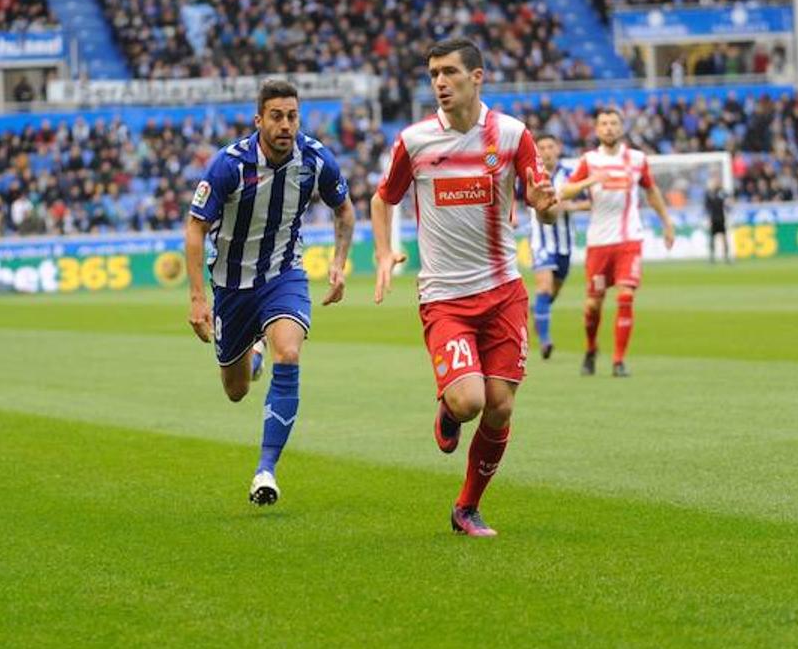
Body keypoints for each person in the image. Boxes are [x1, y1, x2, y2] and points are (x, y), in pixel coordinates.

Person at [371, 37, 557, 538]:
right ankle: (450, 407)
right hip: (445, 298)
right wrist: (383, 252)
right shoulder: (414, 141)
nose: (439, 82)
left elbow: (545, 201)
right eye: (433, 73)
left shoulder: (514, 135)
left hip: (502, 291)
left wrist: (543, 201)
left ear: (477, 77)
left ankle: (466, 507)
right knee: (471, 401)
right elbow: (383, 197)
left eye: (450, 72)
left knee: (499, 407)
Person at [184, 78, 356, 507]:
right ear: (259, 119)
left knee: (291, 353)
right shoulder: (229, 165)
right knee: (237, 389)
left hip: (284, 275)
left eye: (292, 116)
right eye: (276, 116)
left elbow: (345, 210)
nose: (285, 125)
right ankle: (253, 354)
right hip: (230, 287)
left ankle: (266, 470)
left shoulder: (314, 159)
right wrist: (197, 298)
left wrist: (338, 262)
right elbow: (195, 226)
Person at [558, 107, 676, 378]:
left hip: (629, 240)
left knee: (625, 295)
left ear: (621, 128)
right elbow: (565, 191)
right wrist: (591, 180)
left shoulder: (637, 159)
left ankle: (619, 360)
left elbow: (652, 191)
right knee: (592, 305)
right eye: (604, 124)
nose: (609, 128)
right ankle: (590, 348)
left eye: (613, 123)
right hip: (599, 242)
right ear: (597, 130)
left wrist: (667, 223)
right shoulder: (589, 160)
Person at [528, 134, 589, 359]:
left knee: (552, 294)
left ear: (558, 148)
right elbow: (515, 198)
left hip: (564, 244)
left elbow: (590, 201)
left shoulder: (571, 176)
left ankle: (538, 310)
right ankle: (545, 342)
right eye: (541, 147)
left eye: (550, 147)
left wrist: (571, 207)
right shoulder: (530, 174)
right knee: (544, 288)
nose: (546, 151)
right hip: (540, 242)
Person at [705, 177, 730, 264]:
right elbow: (707, 207)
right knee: (712, 238)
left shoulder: (722, 192)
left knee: (724, 237)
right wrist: (708, 219)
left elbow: (728, 200)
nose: (716, 183)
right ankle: (712, 257)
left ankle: (726, 257)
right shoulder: (709, 193)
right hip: (713, 218)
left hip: (721, 218)